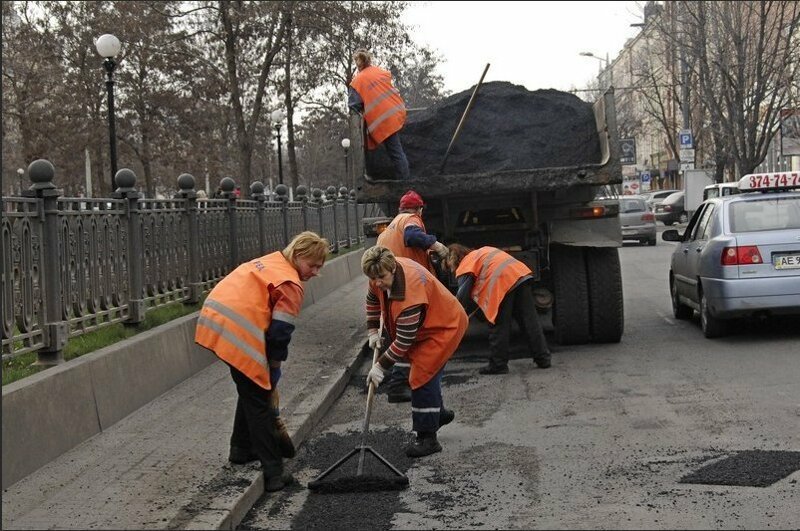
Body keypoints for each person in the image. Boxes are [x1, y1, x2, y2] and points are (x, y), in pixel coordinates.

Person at [195, 231, 329, 492]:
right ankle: (273, 472)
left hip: (216, 316)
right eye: (312, 265)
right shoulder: (290, 283)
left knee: (250, 389)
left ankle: (241, 449)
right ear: (298, 255)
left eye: (319, 267)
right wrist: (274, 367)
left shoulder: (272, 262)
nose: (314, 272)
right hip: (237, 330)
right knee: (260, 399)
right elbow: (280, 334)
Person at [362, 246, 467, 457]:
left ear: (392, 269)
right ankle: (437, 413)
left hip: (444, 327)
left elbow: (403, 341)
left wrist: (380, 367)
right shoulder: (379, 272)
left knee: (421, 377)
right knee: (425, 374)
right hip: (426, 325)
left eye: (381, 277)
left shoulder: (410, 295)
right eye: (373, 278)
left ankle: (427, 439)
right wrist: (373, 331)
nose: (378, 283)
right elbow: (373, 299)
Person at [375, 189, 449, 403]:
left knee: (402, 334)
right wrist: (436, 244)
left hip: (389, 283)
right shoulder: (411, 219)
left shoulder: (388, 228)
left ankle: (398, 382)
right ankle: (398, 384)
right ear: (419, 209)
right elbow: (412, 237)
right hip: (405, 283)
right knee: (411, 336)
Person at [444, 243, 551, 375]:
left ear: (453, 259)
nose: (452, 270)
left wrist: (452, 319)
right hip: (520, 276)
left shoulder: (466, 264)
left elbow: (462, 297)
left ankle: (498, 365)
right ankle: (543, 358)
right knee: (529, 321)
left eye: (449, 267)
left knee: (499, 325)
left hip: (502, 283)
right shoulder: (482, 252)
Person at [348, 48, 410, 180]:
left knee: (394, 152)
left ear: (357, 63)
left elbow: (354, 106)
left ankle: (404, 182)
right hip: (395, 113)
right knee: (396, 150)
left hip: (380, 121)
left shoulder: (357, 82)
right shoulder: (380, 72)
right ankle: (402, 178)